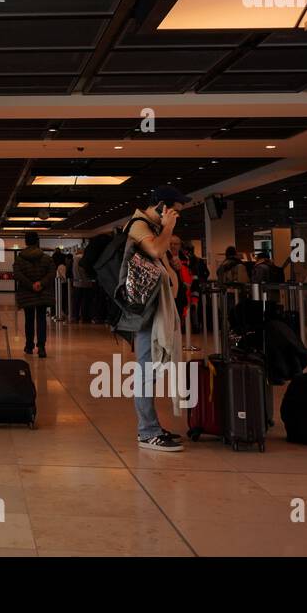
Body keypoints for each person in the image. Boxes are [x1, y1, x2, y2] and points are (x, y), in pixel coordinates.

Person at [119, 186, 188, 452]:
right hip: (146, 311)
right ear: (161, 206)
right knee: (147, 369)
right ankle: (147, 431)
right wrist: (168, 229)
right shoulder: (139, 225)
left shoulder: (152, 227)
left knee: (153, 367)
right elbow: (157, 252)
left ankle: (152, 426)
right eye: (174, 212)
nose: (176, 218)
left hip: (156, 308)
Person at [14, 231, 55, 357]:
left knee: (29, 320)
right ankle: (41, 347)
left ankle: (29, 346)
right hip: (42, 293)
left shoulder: (19, 258)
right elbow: (52, 273)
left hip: (27, 294)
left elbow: (17, 274)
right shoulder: (46, 258)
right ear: (37, 241)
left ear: (26, 242)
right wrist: (40, 284)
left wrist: (30, 285)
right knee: (42, 319)